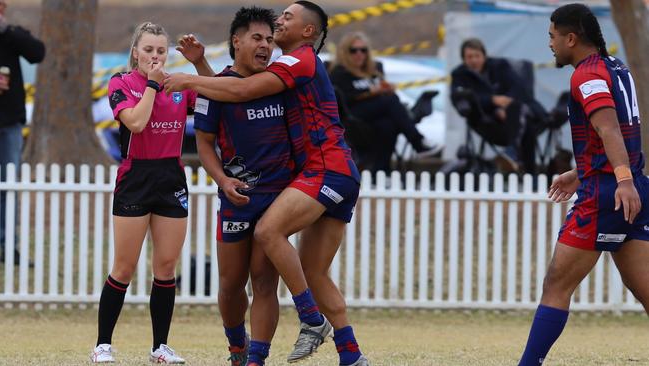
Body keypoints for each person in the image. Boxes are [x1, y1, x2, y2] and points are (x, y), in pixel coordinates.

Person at [164, 2, 370, 365]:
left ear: (308, 31)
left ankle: (307, 321)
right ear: (236, 41)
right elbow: (230, 89)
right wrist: (200, 66)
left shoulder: (296, 61)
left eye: (285, 19)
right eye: (257, 36)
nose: (277, 25)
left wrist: (189, 78)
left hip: (321, 173)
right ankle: (351, 354)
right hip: (298, 180)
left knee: (268, 237)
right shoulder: (278, 71)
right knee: (302, 274)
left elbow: (240, 91)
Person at [518, 4, 649, 365]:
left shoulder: (586, 76)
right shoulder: (616, 67)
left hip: (609, 194)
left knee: (556, 285)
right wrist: (581, 173)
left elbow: (608, 128)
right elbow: (618, 133)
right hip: (633, 187)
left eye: (552, 37)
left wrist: (618, 180)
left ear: (570, 38)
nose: (550, 44)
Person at [177, 7, 285, 366]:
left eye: (270, 40)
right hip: (237, 199)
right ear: (236, 41)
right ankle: (236, 345)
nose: (265, 46)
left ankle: (256, 358)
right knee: (230, 283)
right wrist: (222, 180)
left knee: (265, 281)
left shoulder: (279, 81)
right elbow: (205, 143)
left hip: (278, 198)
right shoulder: (214, 86)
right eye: (257, 38)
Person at [91, 22, 196, 364]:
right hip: (136, 176)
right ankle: (103, 345)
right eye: (148, 50)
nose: (155, 56)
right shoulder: (121, 82)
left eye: (161, 51)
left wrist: (198, 66)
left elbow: (217, 97)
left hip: (171, 176)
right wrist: (152, 85)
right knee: (124, 266)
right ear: (135, 51)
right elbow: (135, 122)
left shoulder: (179, 85)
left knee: (166, 266)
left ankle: (160, 347)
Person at [329, 31, 439, 173]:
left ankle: (381, 171)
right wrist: (370, 93)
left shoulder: (375, 69)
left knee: (388, 125)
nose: (359, 54)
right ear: (345, 52)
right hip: (353, 115)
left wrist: (387, 89)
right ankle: (418, 142)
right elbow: (342, 98)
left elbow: (382, 94)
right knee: (390, 101)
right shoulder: (338, 72)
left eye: (363, 50)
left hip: (376, 114)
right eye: (353, 50)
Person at [450, 38, 546, 174]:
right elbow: (460, 98)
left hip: (513, 114)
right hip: (487, 121)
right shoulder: (459, 74)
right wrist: (492, 101)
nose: (474, 60)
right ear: (463, 59)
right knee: (526, 125)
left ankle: (514, 157)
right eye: (469, 57)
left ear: (484, 55)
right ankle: (529, 174)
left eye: (477, 56)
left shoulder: (500, 66)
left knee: (519, 114)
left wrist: (504, 108)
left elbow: (518, 87)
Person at [0, 0, 45, 265]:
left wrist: (8, 30)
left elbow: (38, 53)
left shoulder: (12, 35)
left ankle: (8, 245)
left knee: (10, 185)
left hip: (10, 123)